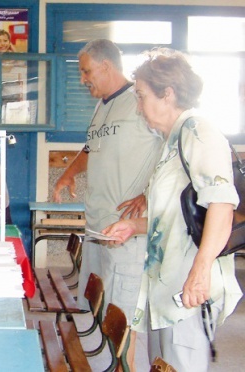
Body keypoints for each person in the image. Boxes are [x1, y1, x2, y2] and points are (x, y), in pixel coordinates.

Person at [102, 48, 242, 371]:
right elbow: (171, 213)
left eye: (141, 96)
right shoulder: (172, 138)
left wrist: (200, 270)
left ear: (167, 94)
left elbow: (221, 204)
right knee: (161, 365)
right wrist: (133, 227)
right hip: (164, 288)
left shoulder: (197, 131)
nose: (138, 107)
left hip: (186, 289)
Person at [52, 39, 163, 369]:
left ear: (106, 66)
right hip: (96, 228)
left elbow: (172, 150)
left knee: (121, 321)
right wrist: (68, 175)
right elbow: (90, 148)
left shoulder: (141, 102)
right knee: (94, 311)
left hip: (126, 233)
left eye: (86, 71)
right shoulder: (101, 107)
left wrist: (150, 193)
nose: (83, 79)